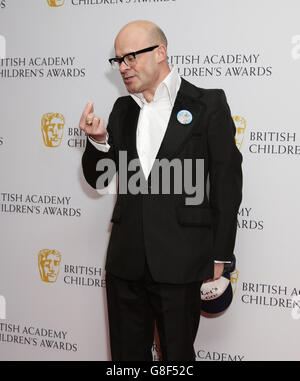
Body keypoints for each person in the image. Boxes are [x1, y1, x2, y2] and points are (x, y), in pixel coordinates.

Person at [79, 20, 243, 361]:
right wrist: (98, 142)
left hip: (182, 262)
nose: (123, 67)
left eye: (131, 57)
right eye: (118, 60)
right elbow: (98, 179)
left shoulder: (207, 104)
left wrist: (220, 256)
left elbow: (227, 183)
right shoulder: (122, 110)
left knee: (177, 358)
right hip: (125, 263)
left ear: (160, 52)